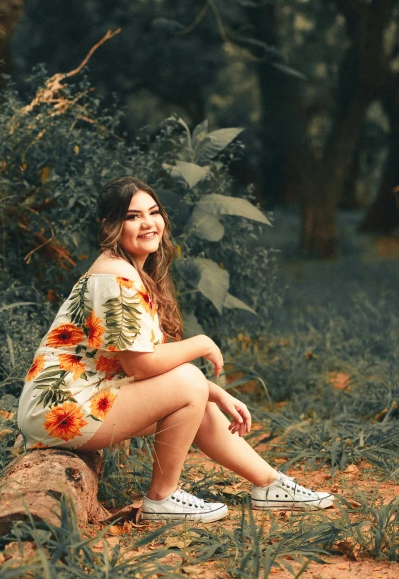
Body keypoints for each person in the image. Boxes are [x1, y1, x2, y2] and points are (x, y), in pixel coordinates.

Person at [17, 176, 333, 521]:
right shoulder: (114, 277)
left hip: (83, 400)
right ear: (109, 225)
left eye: (153, 212)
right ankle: (162, 498)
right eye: (132, 216)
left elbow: (148, 367)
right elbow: (140, 367)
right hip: (61, 411)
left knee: (193, 391)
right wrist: (201, 343)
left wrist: (212, 392)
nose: (148, 223)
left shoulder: (127, 272)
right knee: (188, 383)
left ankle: (269, 484)